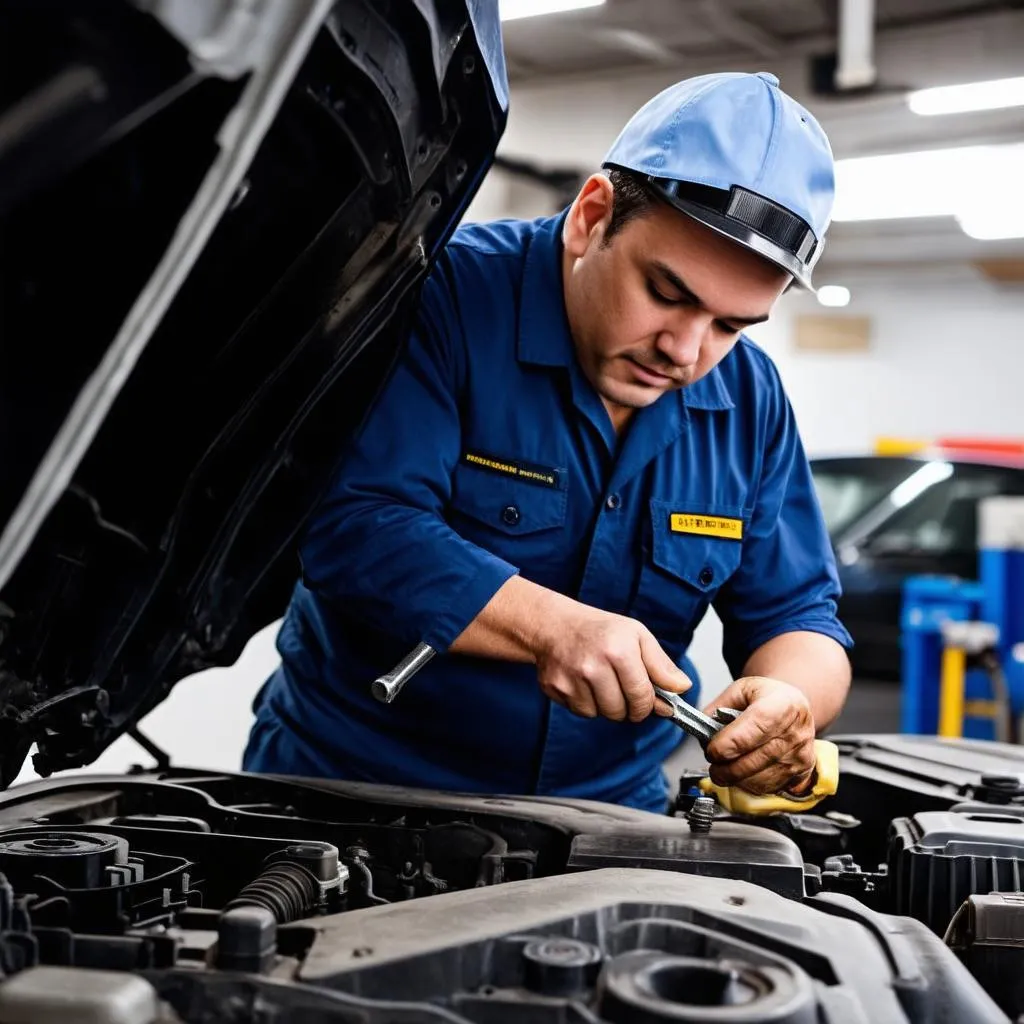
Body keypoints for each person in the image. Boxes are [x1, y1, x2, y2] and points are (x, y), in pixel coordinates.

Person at [241, 71, 853, 813]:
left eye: (731, 325)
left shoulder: (750, 401)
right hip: (349, 794)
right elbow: (356, 523)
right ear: (592, 217)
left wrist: (791, 699)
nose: (686, 352)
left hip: (607, 815)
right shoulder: (438, 299)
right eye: (667, 293)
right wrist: (548, 628)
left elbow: (802, 615)